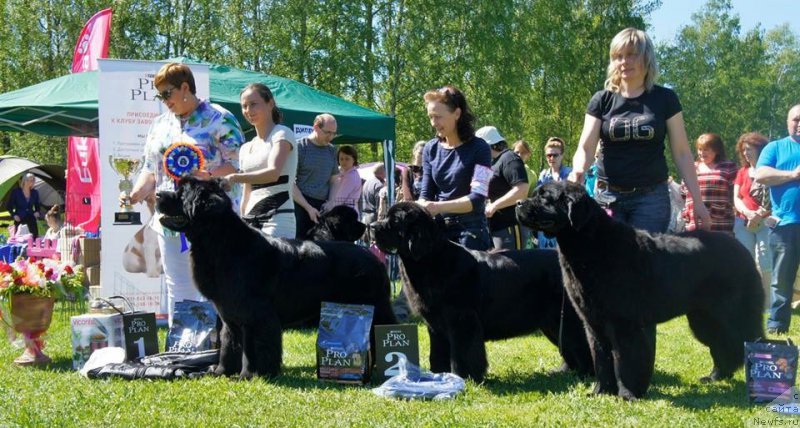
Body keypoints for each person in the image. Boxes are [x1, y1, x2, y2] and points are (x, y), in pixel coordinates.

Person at [129, 62, 244, 325]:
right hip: (170, 218)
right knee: (177, 284)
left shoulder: (220, 118)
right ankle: (183, 345)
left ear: (185, 87)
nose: (164, 101)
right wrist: (136, 192)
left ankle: (216, 346)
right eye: (160, 96)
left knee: (215, 285)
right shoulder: (159, 125)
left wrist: (209, 175)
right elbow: (151, 169)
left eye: (167, 93)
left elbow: (238, 164)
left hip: (211, 220)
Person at [569, 27, 711, 235]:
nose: (624, 62)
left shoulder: (665, 98)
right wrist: (578, 169)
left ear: (647, 57)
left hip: (651, 199)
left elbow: (681, 153)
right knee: (610, 263)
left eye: (631, 55)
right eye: (618, 56)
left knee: (645, 263)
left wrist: (697, 201)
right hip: (608, 197)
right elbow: (586, 147)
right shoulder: (601, 100)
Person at [418, 86, 491, 251]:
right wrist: (422, 205)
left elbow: (477, 199)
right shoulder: (430, 149)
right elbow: (426, 195)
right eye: (430, 117)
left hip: (471, 233)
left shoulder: (480, 148)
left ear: (457, 114)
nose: (433, 123)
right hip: (439, 231)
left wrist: (438, 207)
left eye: (438, 117)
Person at [225, 83, 297, 238]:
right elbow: (247, 190)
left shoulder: (283, 134)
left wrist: (234, 177)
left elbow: (273, 173)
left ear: (270, 103)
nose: (248, 111)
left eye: (253, 104)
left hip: (278, 218)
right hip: (250, 220)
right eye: (244, 106)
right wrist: (243, 218)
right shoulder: (245, 148)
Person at [755, 104, 800, 335]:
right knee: (782, 280)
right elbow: (761, 175)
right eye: (796, 119)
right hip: (786, 224)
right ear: (788, 122)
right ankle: (777, 325)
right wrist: (793, 174)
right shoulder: (776, 148)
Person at [732, 132, 772, 306]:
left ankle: (768, 303)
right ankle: (748, 301)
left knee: (765, 261)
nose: (746, 153)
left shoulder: (770, 169)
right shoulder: (742, 172)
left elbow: (771, 198)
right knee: (745, 261)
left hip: (765, 222)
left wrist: (758, 216)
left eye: (749, 149)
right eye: (743, 150)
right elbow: (736, 198)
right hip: (743, 222)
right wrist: (748, 214)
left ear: (759, 149)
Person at [476, 126, 529, 250]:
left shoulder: (509, 158)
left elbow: (522, 191)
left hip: (510, 226)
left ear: (488, 144)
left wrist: (494, 206)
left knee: (514, 267)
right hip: (496, 227)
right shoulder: (493, 163)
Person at [293, 113, 339, 239]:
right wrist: (308, 208)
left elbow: (334, 179)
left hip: (323, 207)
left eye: (334, 133)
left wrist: (331, 201)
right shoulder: (299, 147)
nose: (331, 137)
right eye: (328, 132)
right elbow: (290, 183)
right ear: (316, 127)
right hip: (301, 205)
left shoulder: (332, 150)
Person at [681, 133, 737, 233]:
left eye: (706, 149)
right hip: (694, 223)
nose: (702, 153)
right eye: (700, 149)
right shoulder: (691, 167)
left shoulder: (729, 167)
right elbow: (683, 194)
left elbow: (736, 194)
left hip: (720, 224)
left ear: (716, 150)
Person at [535, 137, 572, 249]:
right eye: (548, 155)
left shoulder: (570, 175)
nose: (551, 158)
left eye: (555, 155)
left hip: (564, 225)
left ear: (562, 155)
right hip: (546, 226)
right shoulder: (543, 176)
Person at [322, 145, 361, 213]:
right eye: (341, 159)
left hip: (345, 214)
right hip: (338, 212)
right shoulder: (341, 173)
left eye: (347, 159)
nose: (343, 161)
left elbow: (338, 201)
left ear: (354, 159)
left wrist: (324, 207)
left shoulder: (351, 176)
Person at [7, 173, 41, 238]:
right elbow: (9, 206)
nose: (30, 182)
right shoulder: (16, 192)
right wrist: (14, 215)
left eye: (32, 180)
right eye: (28, 180)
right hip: (19, 219)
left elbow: (37, 206)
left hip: (31, 220)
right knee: (19, 240)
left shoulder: (35, 192)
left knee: (33, 239)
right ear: (24, 181)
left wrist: (37, 212)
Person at [360, 163, 385, 243]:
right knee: (374, 245)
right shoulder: (379, 185)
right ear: (381, 172)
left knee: (366, 244)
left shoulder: (367, 182)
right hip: (373, 217)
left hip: (365, 217)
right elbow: (380, 205)